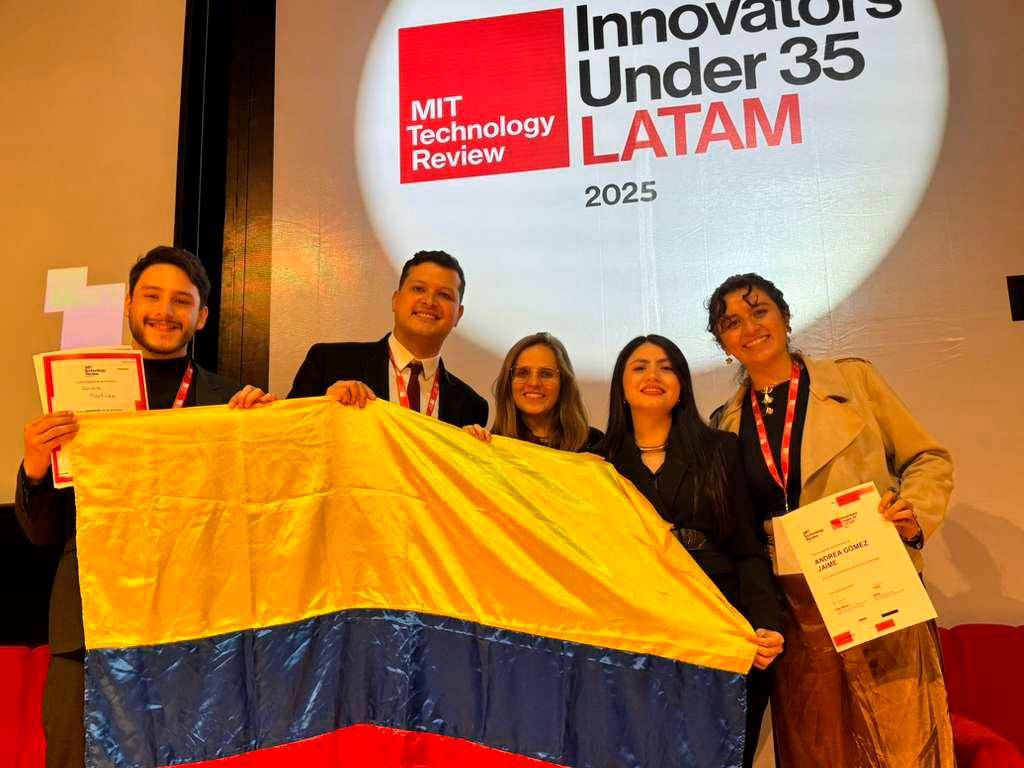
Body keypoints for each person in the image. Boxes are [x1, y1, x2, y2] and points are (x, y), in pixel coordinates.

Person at [15, 246, 273, 768]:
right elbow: (43, 535)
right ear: (128, 305)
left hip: (192, 628)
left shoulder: (231, 403)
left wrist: (263, 440)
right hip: (89, 626)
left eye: (182, 301)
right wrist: (36, 467)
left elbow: (260, 523)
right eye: (151, 297)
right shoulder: (79, 395)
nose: (164, 311)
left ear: (201, 316)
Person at [706, 273, 955, 767]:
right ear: (723, 343)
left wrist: (913, 511)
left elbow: (928, 458)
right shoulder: (724, 423)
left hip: (872, 581)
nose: (750, 328)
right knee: (818, 745)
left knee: (900, 737)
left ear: (785, 317)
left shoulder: (854, 382)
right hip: (792, 606)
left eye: (760, 312)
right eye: (732, 322)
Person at [602, 334, 784, 768]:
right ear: (620, 386)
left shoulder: (721, 450)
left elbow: (747, 549)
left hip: (722, 622)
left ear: (682, 382)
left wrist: (766, 623)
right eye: (639, 366)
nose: (653, 375)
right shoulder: (597, 460)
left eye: (666, 367)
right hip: (638, 637)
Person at [288, 250, 487, 427]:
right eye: (418, 289)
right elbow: (286, 439)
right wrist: (321, 408)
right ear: (396, 300)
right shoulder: (329, 362)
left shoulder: (472, 406)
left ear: (458, 315)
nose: (429, 301)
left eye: (444, 295)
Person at [462, 332, 602, 451]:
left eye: (546, 374)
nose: (534, 383)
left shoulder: (596, 445)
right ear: (508, 383)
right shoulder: (488, 446)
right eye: (522, 373)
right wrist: (465, 446)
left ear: (564, 383)